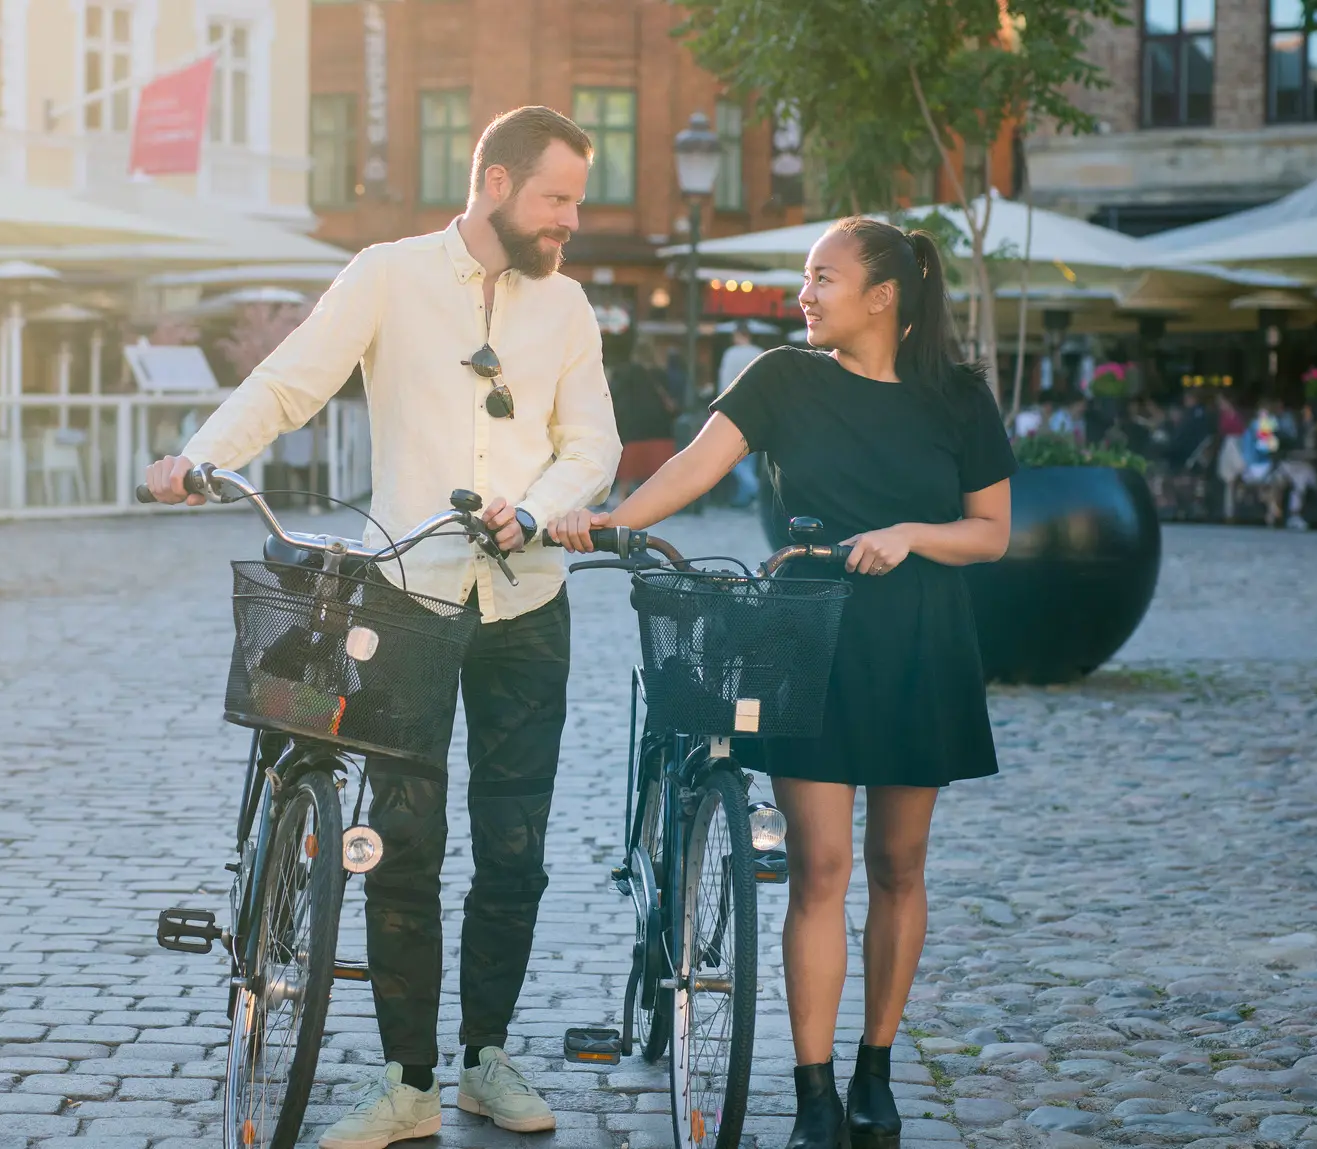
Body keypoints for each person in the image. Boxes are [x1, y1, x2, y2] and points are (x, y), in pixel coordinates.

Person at [141, 106, 620, 1149]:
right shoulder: (387, 273)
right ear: (493, 183)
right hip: (408, 596)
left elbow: (592, 443)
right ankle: (408, 1082)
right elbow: (291, 381)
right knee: (402, 842)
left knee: (516, 845)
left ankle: (486, 1059)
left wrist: (536, 508)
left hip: (527, 600)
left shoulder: (570, 305)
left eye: (576, 201)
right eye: (556, 197)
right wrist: (203, 456)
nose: (570, 220)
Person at [549, 216, 1014, 1149]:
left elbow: (992, 532)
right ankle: (812, 1093)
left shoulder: (959, 398)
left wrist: (911, 534)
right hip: (808, 633)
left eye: (823, 278)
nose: (804, 293)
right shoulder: (783, 378)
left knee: (899, 865)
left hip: (921, 641)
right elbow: (693, 464)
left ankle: (875, 1072)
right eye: (806, 277)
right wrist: (608, 521)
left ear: (883, 295)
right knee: (820, 868)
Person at [608, 341, 679, 506]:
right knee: (658, 469)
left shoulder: (628, 373)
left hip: (635, 428)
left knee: (629, 468)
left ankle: (622, 499)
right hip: (660, 428)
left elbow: (617, 397)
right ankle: (660, 500)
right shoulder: (661, 374)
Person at [717, 325, 767, 506]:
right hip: (758, 407)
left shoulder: (731, 354)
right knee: (750, 454)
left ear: (738, 335)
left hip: (736, 408)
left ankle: (754, 489)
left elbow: (724, 382)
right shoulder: (760, 353)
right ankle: (745, 497)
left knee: (731, 456)